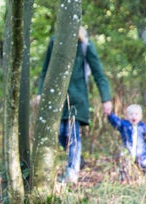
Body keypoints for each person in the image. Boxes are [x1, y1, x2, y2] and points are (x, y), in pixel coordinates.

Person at [37, 26, 112, 183]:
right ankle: (76, 161)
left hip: (77, 99)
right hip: (56, 99)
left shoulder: (85, 45)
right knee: (58, 134)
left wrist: (106, 99)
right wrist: (40, 93)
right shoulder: (54, 41)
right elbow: (45, 70)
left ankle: (72, 171)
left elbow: (99, 73)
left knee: (72, 135)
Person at [107, 103, 146, 175]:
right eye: (131, 114)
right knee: (125, 164)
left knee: (145, 164)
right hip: (128, 149)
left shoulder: (143, 126)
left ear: (140, 116)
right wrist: (110, 115)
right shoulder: (124, 125)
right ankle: (124, 178)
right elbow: (116, 122)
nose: (133, 116)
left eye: (136, 114)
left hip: (141, 152)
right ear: (127, 116)